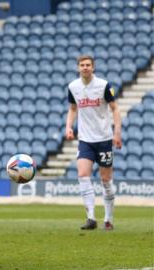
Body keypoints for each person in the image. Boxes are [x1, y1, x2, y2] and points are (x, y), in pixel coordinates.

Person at [65, 55, 122, 231]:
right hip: (85, 139)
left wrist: (117, 133)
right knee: (82, 174)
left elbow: (115, 108)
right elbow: (73, 109)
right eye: (82, 65)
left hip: (104, 139)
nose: (85, 67)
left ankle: (108, 218)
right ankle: (91, 217)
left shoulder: (104, 85)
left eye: (88, 65)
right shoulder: (73, 87)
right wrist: (69, 127)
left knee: (105, 180)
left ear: (93, 67)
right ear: (78, 67)